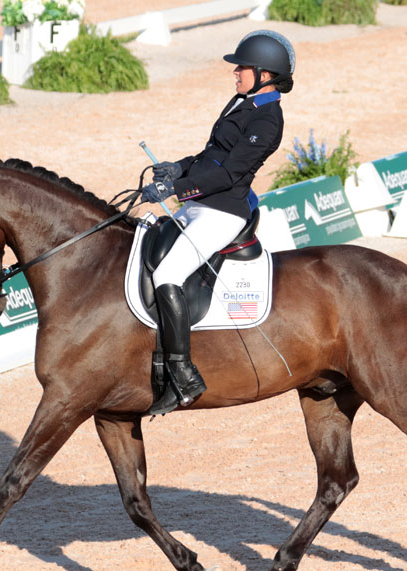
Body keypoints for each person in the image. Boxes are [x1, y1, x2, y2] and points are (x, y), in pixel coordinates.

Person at [140, 30, 295, 416]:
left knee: (167, 276)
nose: (235, 72)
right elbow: (212, 156)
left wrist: (176, 188)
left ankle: (183, 375)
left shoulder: (268, 119)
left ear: (264, 73)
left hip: (223, 211)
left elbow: (228, 175)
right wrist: (178, 166)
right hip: (201, 203)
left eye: (242, 67)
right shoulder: (242, 104)